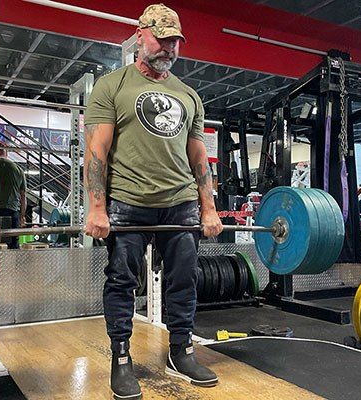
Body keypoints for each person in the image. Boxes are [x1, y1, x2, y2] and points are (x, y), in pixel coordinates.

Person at [83, 4, 223, 399]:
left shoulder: (188, 95)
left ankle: (181, 349)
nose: (170, 48)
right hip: (128, 201)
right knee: (123, 281)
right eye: (162, 39)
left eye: (175, 41)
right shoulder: (112, 87)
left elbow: (199, 158)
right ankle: (121, 356)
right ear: (140, 34)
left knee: (184, 279)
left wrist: (208, 207)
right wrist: (97, 207)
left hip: (180, 204)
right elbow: (97, 152)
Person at [0, 145, 26, 249]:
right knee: (13, 243)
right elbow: (23, 196)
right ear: (6, 153)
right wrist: (21, 217)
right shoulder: (18, 169)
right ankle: (13, 264)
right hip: (12, 211)